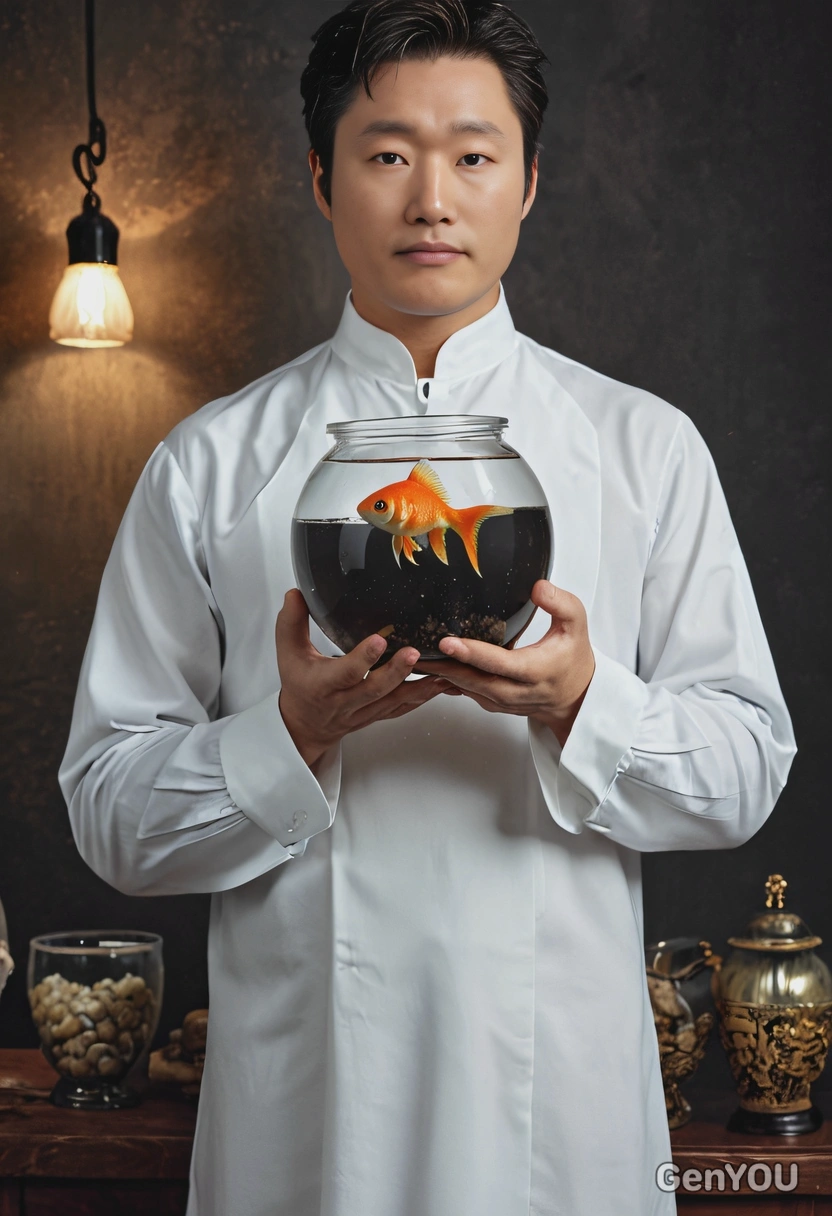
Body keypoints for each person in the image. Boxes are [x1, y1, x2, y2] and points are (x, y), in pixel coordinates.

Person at [58, 2, 796, 1213]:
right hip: (305, 1126)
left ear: (528, 181)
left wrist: (582, 705)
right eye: (388, 153)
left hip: (563, 1124)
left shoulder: (642, 447)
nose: (430, 199)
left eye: (472, 155)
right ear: (320, 176)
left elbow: (745, 770)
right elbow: (108, 816)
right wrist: (287, 733)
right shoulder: (210, 463)